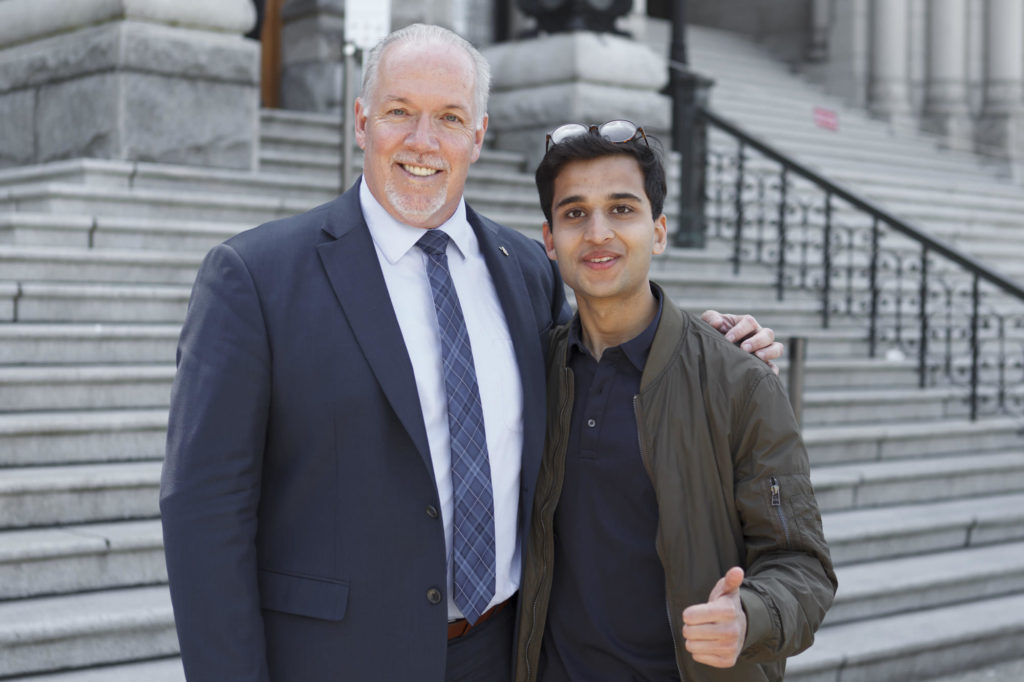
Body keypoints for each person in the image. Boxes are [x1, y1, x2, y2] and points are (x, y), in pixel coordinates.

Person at [160, 24, 782, 682]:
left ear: (479, 136)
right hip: (334, 661)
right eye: (401, 111)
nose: (423, 141)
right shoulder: (254, 278)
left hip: (503, 651)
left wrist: (710, 343)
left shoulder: (527, 273)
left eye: (450, 118)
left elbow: (607, 355)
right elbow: (204, 513)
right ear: (362, 120)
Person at [514, 125, 837, 682]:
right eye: (574, 214)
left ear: (658, 231)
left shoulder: (740, 380)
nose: (598, 233)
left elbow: (802, 565)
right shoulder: (530, 370)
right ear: (549, 240)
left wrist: (750, 615)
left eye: (621, 209)